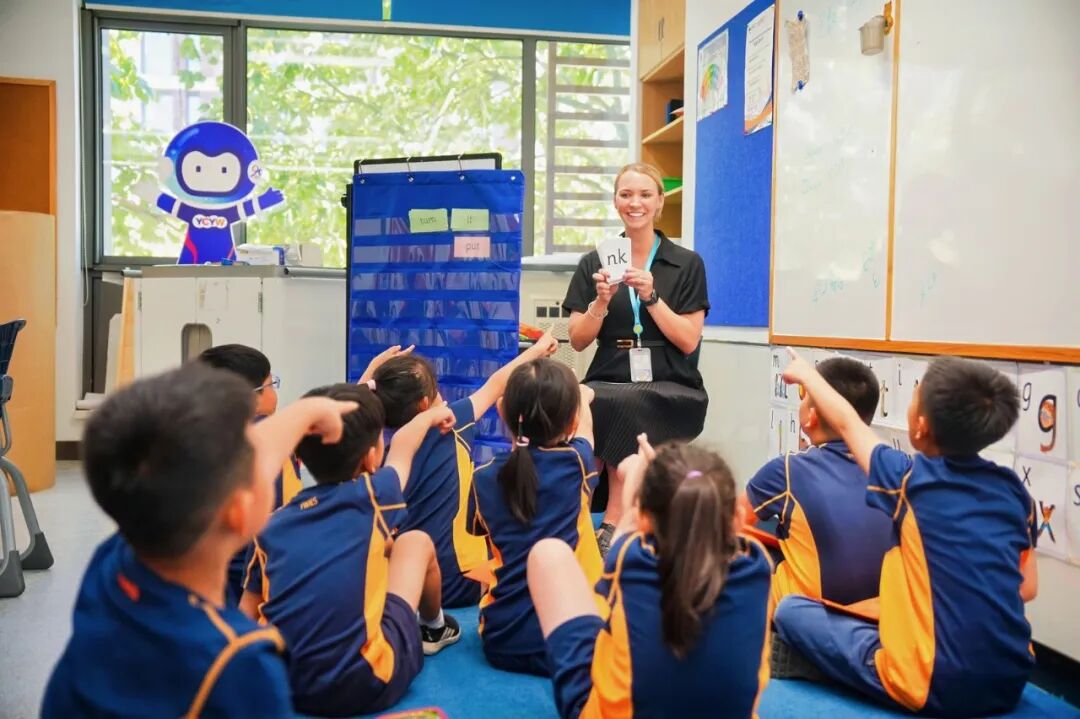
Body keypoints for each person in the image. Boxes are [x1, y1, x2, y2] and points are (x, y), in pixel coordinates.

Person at [42, 365, 356, 718]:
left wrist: (306, 411)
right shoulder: (239, 662)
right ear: (239, 508)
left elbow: (256, 453)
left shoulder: (115, 559)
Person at [775, 350, 1039, 718]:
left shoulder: (911, 481)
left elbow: (850, 425)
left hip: (936, 684)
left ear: (921, 428)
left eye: (916, 395)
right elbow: (1026, 588)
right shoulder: (1015, 492)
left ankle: (833, 669)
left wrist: (808, 376)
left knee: (792, 612)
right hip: (1011, 678)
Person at [240, 383, 459, 717]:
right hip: (364, 682)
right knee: (414, 543)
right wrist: (432, 415)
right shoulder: (375, 495)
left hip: (286, 683)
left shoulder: (270, 524)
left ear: (300, 456)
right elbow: (403, 447)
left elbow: (246, 612)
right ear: (372, 456)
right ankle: (435, 626)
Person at [528, 437, 773, 719]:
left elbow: (631, 515)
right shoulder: (758, 566)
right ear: (738, 518)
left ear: (644, 519)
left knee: (549, 555)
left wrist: (637, 472)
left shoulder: (630, 557)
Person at [562, 162, 709, 555]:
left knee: (625, 400)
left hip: (672, 381)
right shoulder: (595, 262)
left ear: (660, 201)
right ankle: (573, 509)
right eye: (626, 194)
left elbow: (689, 341)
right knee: (578, 397)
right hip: (609, 373)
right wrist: (601, 303)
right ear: (615, 202)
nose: (635, 203)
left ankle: (612, 518)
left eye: (645, 194)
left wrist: (652, 297)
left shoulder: (686, 263)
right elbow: (577, 341)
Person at [371, 332, 559, 608]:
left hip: (406, 582)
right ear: (425, 404)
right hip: (460, 581)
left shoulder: (387, 454)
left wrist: (373, 373)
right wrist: (539, 350)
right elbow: (497, 384)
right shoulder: (449, 423)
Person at [468, 359, 602, 676]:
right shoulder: (577, 461)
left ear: (502, 412)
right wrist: (583, 397)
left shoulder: (482, 476)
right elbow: (586, 431)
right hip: (567, 646)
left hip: (500, 641)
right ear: (571, 421)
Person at [743, 357, 893, 610]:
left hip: (812, 614)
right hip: (879, 611)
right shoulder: (893, 467)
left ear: (811, 416)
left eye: (804, 396)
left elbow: (731, 520)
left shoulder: (786, 469)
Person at [197, 343, 302, 606]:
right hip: (255, 589)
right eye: (270, 385)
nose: (274, 393)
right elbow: (285, 526)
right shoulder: (269, 440)